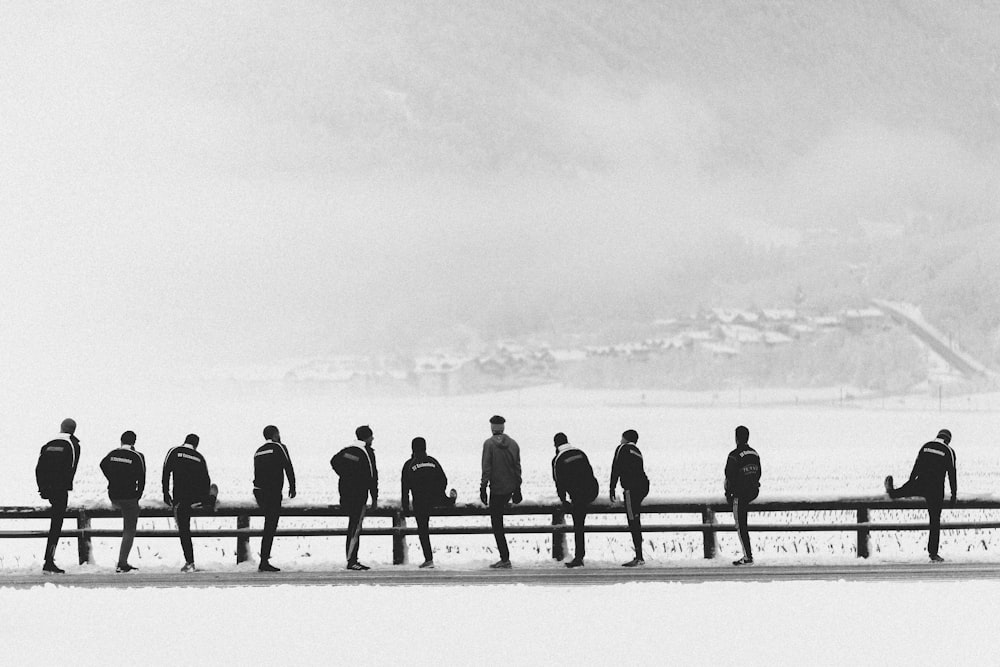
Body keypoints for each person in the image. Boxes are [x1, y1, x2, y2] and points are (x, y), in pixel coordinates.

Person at [884, 428, 957, 562]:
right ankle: (933, 553)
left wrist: (910, 483)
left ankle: (892, 491)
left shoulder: (926, 446)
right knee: (934, 521)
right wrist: (953, 494)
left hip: (920, 483)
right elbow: (952, 473)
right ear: (948, 440)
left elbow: (916, 465)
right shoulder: (949, 451)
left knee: (898, 492)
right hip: (935, 489)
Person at [162, 433, 216, 572]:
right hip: (196, 497)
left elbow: (166, 471)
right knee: (214, 488)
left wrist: (166, 493)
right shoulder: (199, 457)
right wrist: (203, 497)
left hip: (180, 500)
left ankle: (190, 562)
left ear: (184, 440)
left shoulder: (174, 451)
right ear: (196, 444)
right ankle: (208, 501)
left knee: (184, 531)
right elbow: (206, 480)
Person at [400, 437, 457, 568]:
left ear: (412, 448)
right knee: (444, 501)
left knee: (423, 530)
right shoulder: (433, 461)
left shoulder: (409, 464)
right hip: (436, 498)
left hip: (420, 501)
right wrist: (438, 492)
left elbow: (405, 487)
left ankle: (428, 559)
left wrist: (405, 507)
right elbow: (443, 479)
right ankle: (449, 500)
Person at [35, 418, 82, 574]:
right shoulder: (73, 445)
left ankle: (48, 560)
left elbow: (39, 468)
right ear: (73, 430)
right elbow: (71, 467)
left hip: (48, 489)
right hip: (60, 491)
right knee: (56, 525)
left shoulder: (48, 444)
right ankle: (49, 560)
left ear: (61, 428)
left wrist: (43, 489)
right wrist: (64, 486)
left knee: (55, 524)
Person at [331, 425, 378, 571]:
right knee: (355, 528)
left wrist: (345, 475)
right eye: (371, 436)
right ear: (367, 437)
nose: (373, 439)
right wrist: (374, 498)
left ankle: (351, 558)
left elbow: (334, 461)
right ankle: (352, 560)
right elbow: (372, 476)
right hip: (359, 496)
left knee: (353, 526)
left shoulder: (347, 451)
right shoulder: (367, 452)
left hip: (345, 494)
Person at [99, 430, 146, 573]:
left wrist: (112, 478)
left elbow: (102, 464)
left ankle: (122, 562)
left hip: (114, 495)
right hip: (129, 497)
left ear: (121, 440)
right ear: (134, 442)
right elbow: (142, 477)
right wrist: (137, 494)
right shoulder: (137, 456)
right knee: (129, 529)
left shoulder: (112, 454)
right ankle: (122, 562)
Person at [480, 415, 522, 569]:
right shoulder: (513, 444)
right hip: (510, 488)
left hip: (496, 490)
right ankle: (505, 558)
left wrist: (483, 487)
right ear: (503, 427)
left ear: (492, 427)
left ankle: (505, 558)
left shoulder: (489, 444)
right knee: (499, 522)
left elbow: (486, 468)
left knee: (497, 524)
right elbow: (517, 467)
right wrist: (518, 487)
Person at [551, 433, 599, 568]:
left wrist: (564, 500)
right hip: (592, 490)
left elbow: (559, 482)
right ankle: (579, 556)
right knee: (580, 522)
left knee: (578, 525)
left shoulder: (558, 459)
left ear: (556, 445)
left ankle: (579, 557)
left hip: (578, 495)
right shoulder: (580, 453)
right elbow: (589, 471)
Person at [253, 425, 296, 572]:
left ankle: (264, 559)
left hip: (258, 491)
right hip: (272, 492)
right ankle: (264, 561)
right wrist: (293, 486)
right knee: (270, 526)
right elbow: (288, 466)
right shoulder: (279, 447)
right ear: (276, 434)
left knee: (268, 524)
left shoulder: (258, 451)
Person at [610, 429, 649, 567]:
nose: (620, 441)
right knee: (636, 519)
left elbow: (616, 467)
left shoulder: (622, 448)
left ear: (625, 438)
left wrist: (612, 488)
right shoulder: (637, 451)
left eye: (621, 438)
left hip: (631, 490)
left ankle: (639, 557)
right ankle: (639, 555)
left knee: (633, 521)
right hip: (643, 486)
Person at [725, 425, 761, 566]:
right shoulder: (755, 453)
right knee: (743, 525)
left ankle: (748, 556)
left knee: (741, 525)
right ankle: (748, 554)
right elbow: (759, 473)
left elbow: (729, 475)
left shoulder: (733, 455)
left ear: (736, 438)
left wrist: (729, 493)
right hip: (753, 492)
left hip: (740, 494)